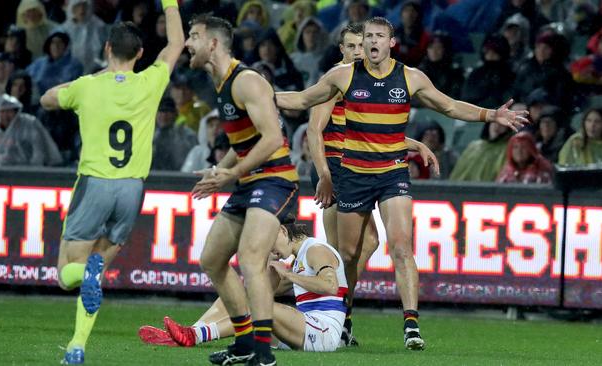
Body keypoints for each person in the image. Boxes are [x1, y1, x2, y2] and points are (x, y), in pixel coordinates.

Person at [276, 16, 528, 350]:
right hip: (353, 174)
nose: (372, 42)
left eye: (379, 36)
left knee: (401, 245)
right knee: (349, 254)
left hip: (394, 172)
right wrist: (258, 94)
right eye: (368, 36)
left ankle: (411, 325)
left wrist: (489, 114)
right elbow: (303, 100)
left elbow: (449, 105)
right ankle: (343, 318)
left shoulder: (410, 77)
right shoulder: (343, 75)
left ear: (392, 42)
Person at [38, 0, 184, 363]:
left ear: (106, 49)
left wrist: (76, 88)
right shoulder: (150, 81)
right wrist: (169, 3)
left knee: (65, 274)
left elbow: (46, 99)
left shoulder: (87, 86)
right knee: (98, 267)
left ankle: (83, 277)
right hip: (132, 188)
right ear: (140, 53)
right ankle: (76, 346)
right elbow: (177, 43)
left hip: (95, 183)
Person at [305, 22, 439, 347]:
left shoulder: (368, 76)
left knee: (366, 247)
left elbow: (375, 127)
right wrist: (323, 173)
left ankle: (340, 315)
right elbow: (314, 129)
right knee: (344, 253)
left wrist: (412, 144)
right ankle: (321, 308)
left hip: (366, 165)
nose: (358, 51)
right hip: (339, 169)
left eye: (360, 45)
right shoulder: (339, 78)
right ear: (343, 48)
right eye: (352, 45)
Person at [186, 14, 300, 366]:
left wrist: (230, 174)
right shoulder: (221, 83)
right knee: (212, 259)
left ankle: (263, 354)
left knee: (251, 259)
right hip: (252, 180)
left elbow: (272, 139)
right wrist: (223, 170)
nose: (188, 43)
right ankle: (246, 341)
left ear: (214, 43)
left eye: (194, 36)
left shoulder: (247, 80)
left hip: (276, 179)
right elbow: (246, 141)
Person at [139, 220, 348, 352]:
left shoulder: (316, 250)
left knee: (262, 309)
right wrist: (269, 262)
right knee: (233, 296)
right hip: (306, 329)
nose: (269, 248)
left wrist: (288, 275)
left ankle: (195, 336)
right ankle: (188, 333)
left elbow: (330, 286)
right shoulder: (298, 259)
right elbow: (265, 291)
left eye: (269, 241)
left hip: (323, 332)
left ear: (282, 230)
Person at [0, 94, 62, 167]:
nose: (5, 115)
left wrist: (35, 170)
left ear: (16, 111)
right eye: (2, 111)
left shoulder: (29, 123)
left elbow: (38, 150)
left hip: (27, 171)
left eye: (9, 111)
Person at [151, 98, 198, 171]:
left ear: (175, 114)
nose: (164, 115)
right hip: (152, 179)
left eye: (168, 111)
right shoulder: (148, 135)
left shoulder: (188, 135)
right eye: (160, 111)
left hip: (180, 179)